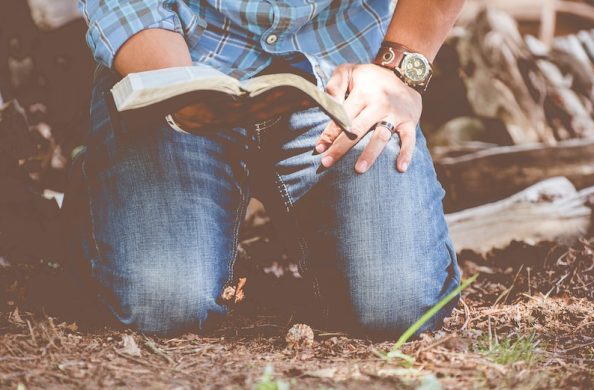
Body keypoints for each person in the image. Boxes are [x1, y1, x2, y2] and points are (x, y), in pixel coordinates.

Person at [75, 0, 465, 336]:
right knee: (162, 304)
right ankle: (97, 192)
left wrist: (398, 71)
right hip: (174, 61)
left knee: (401, 304)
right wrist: (176, 83)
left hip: (338, 77)